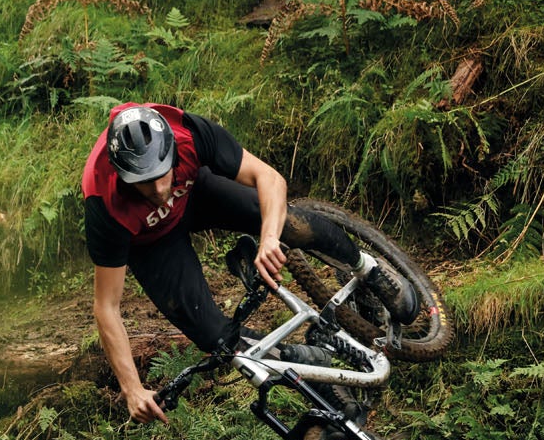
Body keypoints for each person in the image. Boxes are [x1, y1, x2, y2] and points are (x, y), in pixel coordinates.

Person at [83, 103, 416, 423]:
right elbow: (106, 307)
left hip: (197, 192)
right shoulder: (105, 203)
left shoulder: (188, 133)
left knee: (287, 223)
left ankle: (368, 268)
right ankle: (312, 376)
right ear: (122, 175)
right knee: (216, 338)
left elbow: (269, 179)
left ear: (171, 151)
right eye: (144, 182)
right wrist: (131, 388)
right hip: (153, 242)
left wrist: (269, 238)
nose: (159, 189)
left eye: (162, 173)